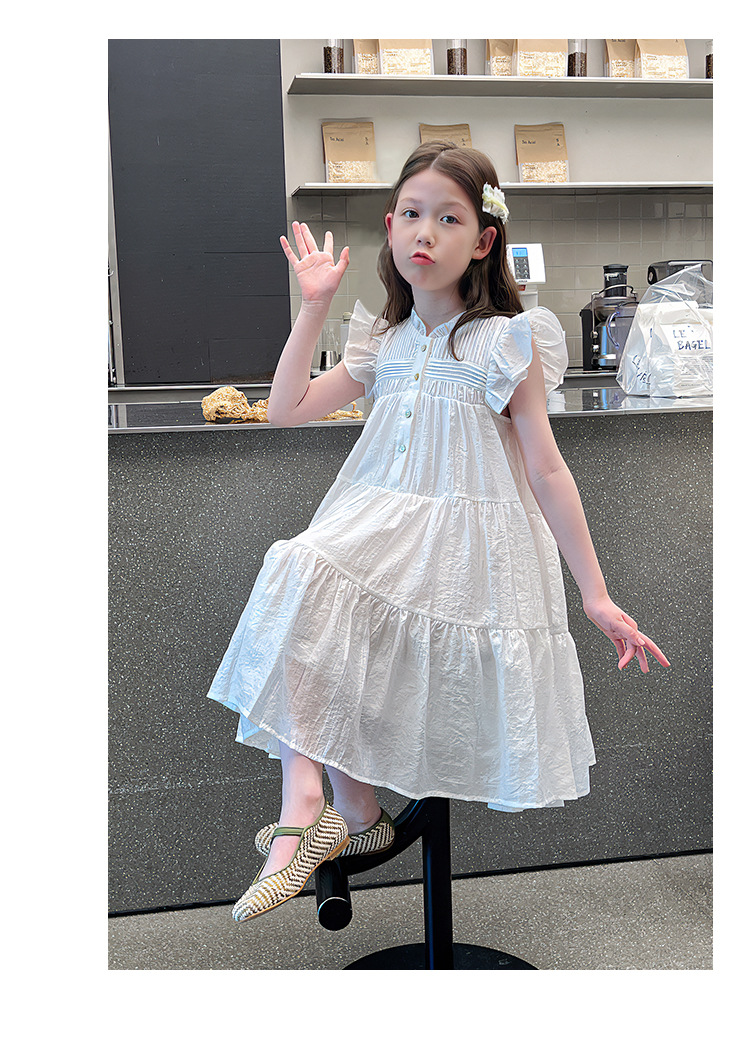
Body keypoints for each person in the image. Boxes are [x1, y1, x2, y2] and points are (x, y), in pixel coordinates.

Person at [207, 141, 670, 923]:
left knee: (302, 570)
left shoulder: (507, 340)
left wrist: (594, 594)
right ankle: (343, 810)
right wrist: (314, 306)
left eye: (449, 219)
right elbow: (285, 409)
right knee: (299, 575)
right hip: (383, 526)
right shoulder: (384, 341)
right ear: (390, 226)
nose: (425, 232)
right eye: (411, 214)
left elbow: (547, 470)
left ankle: (321, 814)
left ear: (484, 241)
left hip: (464, 554)